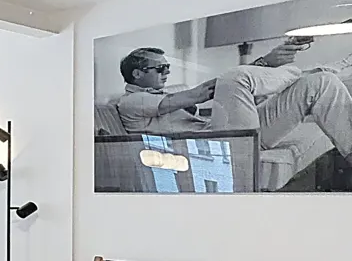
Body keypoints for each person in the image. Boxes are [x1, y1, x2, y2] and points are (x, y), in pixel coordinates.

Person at [115, 43, 352, 163]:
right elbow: (203, 93)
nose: (166, 72)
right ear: (137, 74)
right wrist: (265, 62)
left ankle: (318, 73)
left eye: (168, 67)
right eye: (160, 68)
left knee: (321, 83)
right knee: (234, 77)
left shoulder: (160, 95)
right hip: (219, 148)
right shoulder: (131, 102)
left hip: (227, 136)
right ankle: (309, 69)